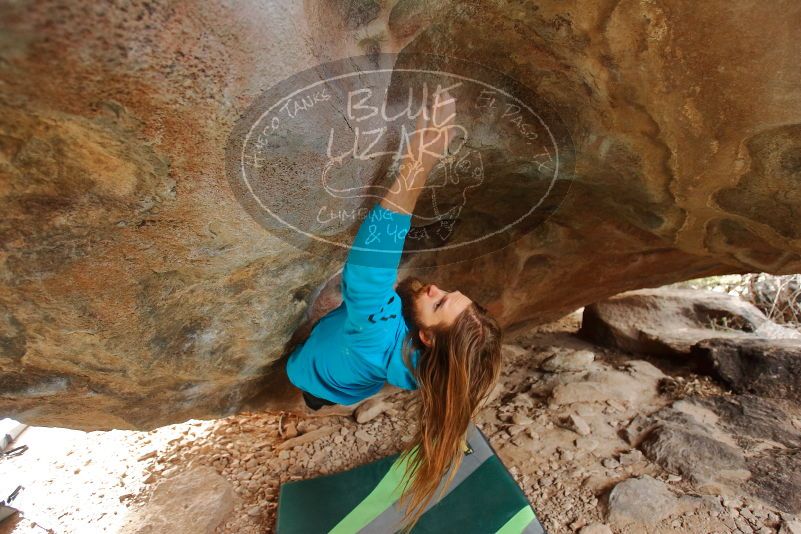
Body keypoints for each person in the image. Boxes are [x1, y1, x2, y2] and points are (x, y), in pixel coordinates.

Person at [285, 89, 503, 532]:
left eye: (438, 302)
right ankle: (317, 401)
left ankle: (314, 396)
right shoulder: (427, 368)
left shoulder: (378, 330)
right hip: (345, 387)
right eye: (449, 293)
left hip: (306, 367)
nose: (437, 287)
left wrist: (421, 157)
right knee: (323, 395)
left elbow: (371, 264)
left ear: (425, 336)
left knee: (316, 379)